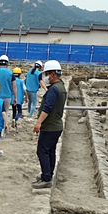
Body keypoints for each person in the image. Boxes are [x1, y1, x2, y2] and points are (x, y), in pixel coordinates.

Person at [32, 60, 67, 189]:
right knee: (50, 151)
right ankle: (48, 174)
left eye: (47, 74)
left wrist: (38, 122)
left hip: (50, 126)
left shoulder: (54, 90)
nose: (46, 77)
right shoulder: (61, 87)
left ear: (53, 74)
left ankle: (46, 178)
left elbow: (47, 108)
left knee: (42, 151)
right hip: (56, 126)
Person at [0, 54, 17, 120]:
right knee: (6, 112)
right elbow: (14, 86)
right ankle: (4, 128)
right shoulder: (10, 73)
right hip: (7, 96)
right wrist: (15, 97)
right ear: (7, 63)